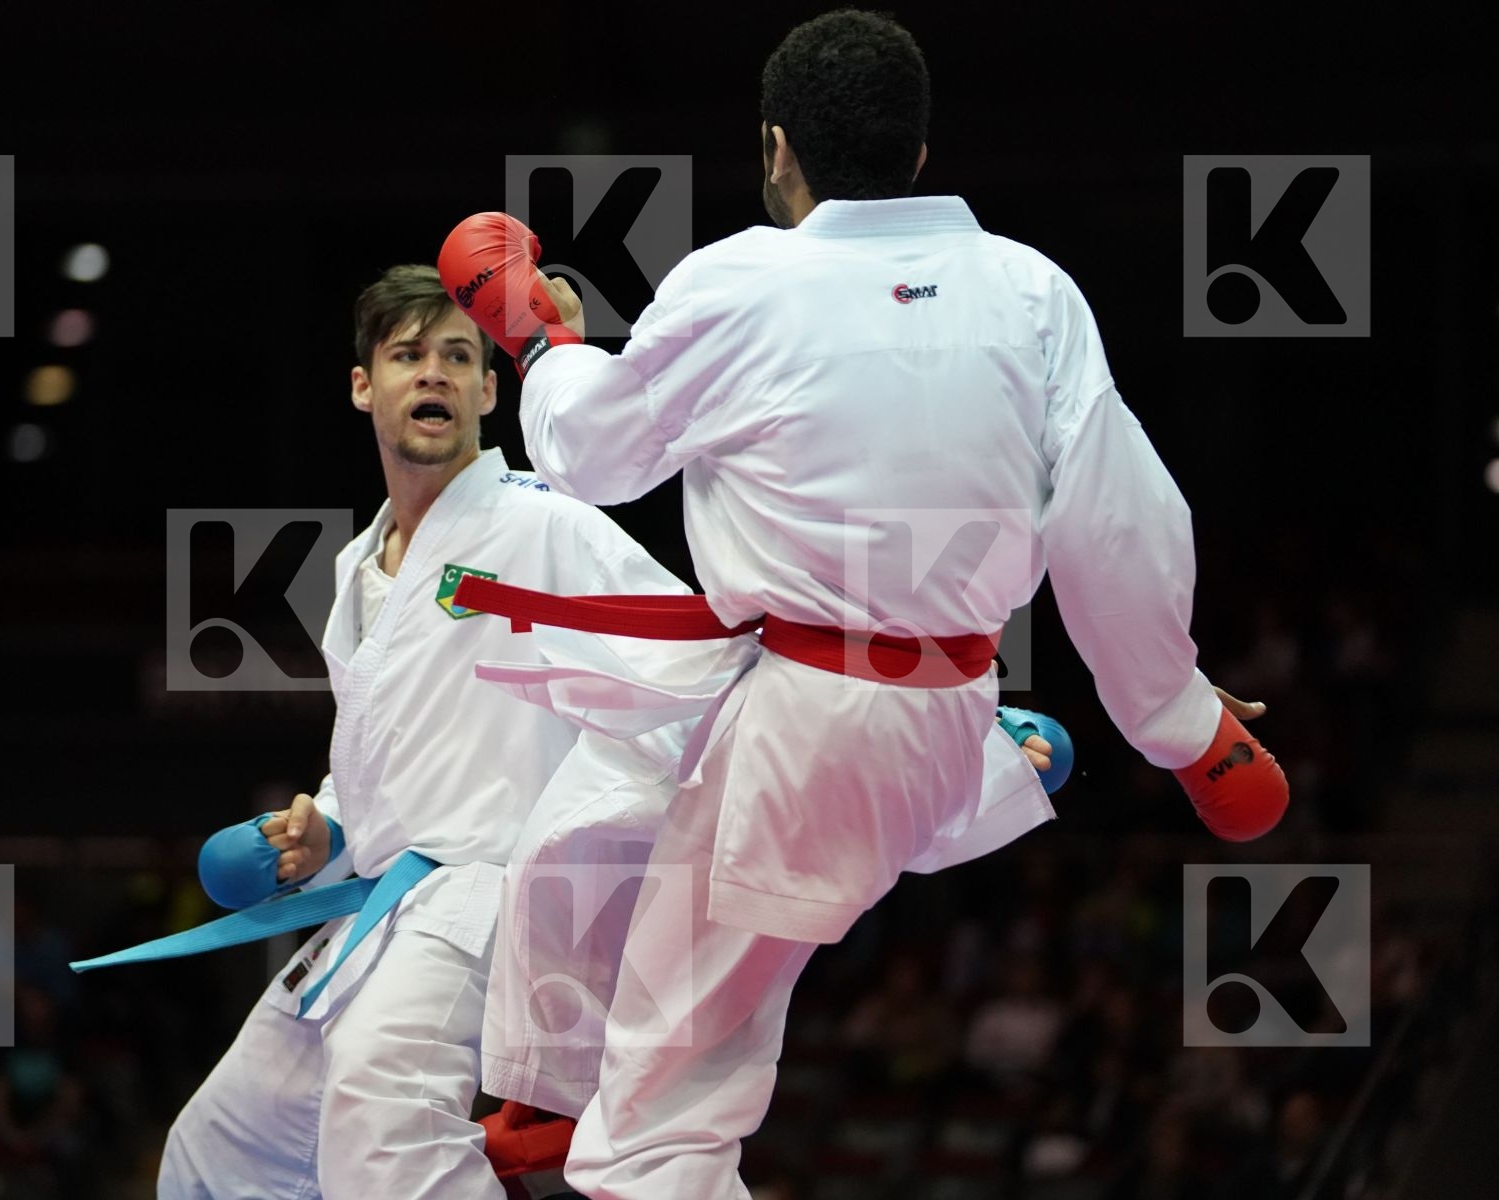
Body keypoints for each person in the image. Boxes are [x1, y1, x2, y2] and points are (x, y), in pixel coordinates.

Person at [435, 9, 1289, 1198]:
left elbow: (592, 456)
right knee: (618, 798)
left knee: (660, 1126)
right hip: (944, 716)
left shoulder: (741, 280)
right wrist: (1182, 723)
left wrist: (540, 341)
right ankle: (1012, 763)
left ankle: (573, 1104)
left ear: (777, 147)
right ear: (921, 152)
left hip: (809, 731)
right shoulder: (1034, 291)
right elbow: (1120, 522)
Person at [86, 264, 1064, 1198]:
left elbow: (707, 664)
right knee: (217, 1156)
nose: (434, 373)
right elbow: (384, 764)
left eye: (459, 356)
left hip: (481, 894)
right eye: (407, 355)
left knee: (383, 1125)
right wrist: (326, 831)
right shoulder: (355, 567)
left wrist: (965, 742)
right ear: (361, 385)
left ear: (487, 392)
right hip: (372, 908)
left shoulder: (543, 524)